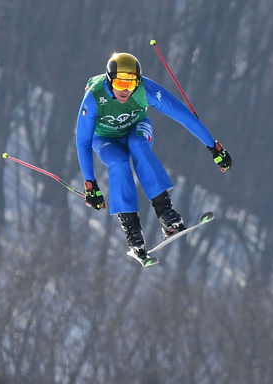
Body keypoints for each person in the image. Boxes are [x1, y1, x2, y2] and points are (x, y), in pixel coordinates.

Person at [75, 52, 232, 261]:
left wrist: (213, 147)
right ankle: (132, 231)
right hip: (104, 139)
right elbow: (83, 141)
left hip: (136, 129)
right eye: (120, 83)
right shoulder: (94, 97)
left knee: (138, 144)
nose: (125, 90)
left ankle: (166, 213)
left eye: (130, 84)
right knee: (118, 161)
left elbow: (182, 115)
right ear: (109, 79)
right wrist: (90, 183)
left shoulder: (145, 89)